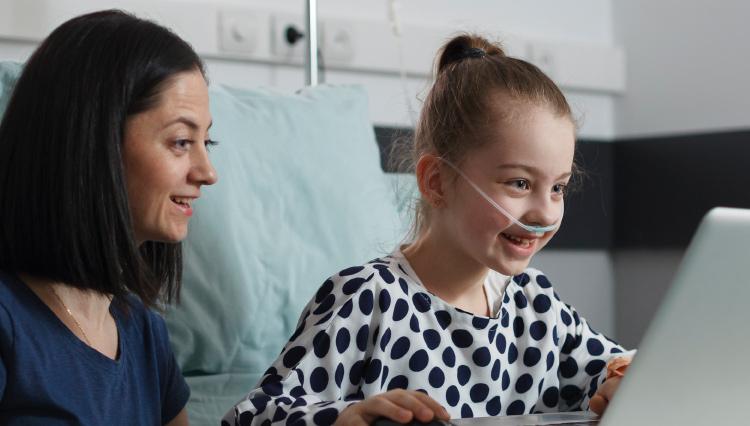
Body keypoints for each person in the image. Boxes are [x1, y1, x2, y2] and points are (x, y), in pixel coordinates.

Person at [224, 34, 632, 426]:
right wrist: (344, 417)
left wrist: (619, 384)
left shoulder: (536, 305)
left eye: (558, 187)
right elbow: (253, 416)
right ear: (436, 181)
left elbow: (618, 369)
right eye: (519, 183)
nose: (544, 212)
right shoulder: (368, 300)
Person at [0, 10, 217, 425]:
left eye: (208, 141)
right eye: (182, 141)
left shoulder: (145, 337)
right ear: (93, 143)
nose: (207, 172)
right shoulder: (8, 324)